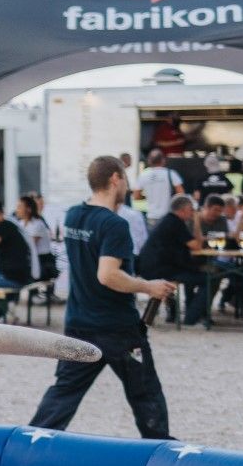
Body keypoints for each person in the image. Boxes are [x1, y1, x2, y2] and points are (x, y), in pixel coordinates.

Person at [30, 156, 175, 440]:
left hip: (78, 322)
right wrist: (150, 287)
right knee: (145, 393)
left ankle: (29, 444)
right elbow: (108, 275)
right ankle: (162, 453)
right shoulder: (114, 225)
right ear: (115, 179)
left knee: (64, 393)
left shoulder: (73, 215)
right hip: (117, 327)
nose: (129, 186)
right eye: (127, 179)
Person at [138, 195, 206, 325]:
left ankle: (176, 313)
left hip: (150, 266)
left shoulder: (168, 220)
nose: (193, 212)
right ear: (184, 209)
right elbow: (197, 245)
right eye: (191, 210)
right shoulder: (175, 222)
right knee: (206, 279)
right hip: (161, 270)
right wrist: (197, 221)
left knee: (192, 273)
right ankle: (191, 318)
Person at [14, 193, 56, 283]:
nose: (16, 210)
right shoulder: (20, 223)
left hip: (42, 264)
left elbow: (28, 246)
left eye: (19, 207)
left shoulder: (37, 224)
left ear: (28, 209)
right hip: (31, 261)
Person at [134, 149, 182, 214]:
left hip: (150, 214)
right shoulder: (171, 174)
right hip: (167, 215)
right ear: (163, 160)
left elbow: (136, 196)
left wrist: (147, 197)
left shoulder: (143, 175)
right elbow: (181, 194)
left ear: (149, 161)